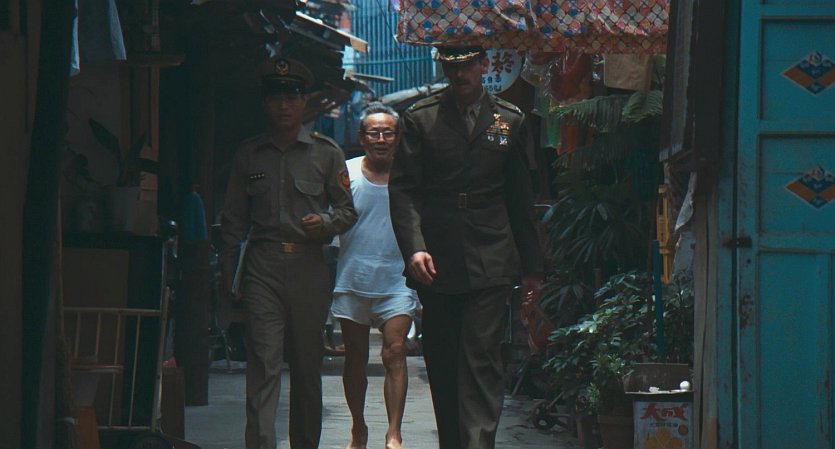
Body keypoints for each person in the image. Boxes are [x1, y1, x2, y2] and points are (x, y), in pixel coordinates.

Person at [388, 46, 544, 449]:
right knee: (443, 362)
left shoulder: (509, 119)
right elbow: (404, 191)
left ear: (483, 65)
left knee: (481, 357)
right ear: (444, 68)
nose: (459, 75)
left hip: (491, 254)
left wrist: (532, 269)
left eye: (467, 67)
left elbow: (521, 199)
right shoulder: (421, 118)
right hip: (436, 259)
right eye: (451, 67)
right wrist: (414, 248)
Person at [220, 57, 357, 449]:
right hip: (262, 266)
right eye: (276, 98)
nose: (284, 105)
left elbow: (347, 211)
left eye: (292, 97)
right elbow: (232, 220)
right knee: (263, 362)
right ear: (265, 103)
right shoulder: (249, 155)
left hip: (308, 267)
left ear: (303, 101)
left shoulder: (326, 153)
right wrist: (228, 277)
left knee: (307, 366)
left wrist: (325, 223)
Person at [332, 102, 418, 449]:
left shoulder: (410, 175)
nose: (381, 139)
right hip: (352, 279)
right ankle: (358, 427)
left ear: (398, 137)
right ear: (362, 137)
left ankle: (394, 433)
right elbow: (332, 220)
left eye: (388, 133)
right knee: (354, 357)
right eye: (374, 133)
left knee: (395, 351)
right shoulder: (346, 174)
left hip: (397, 279)